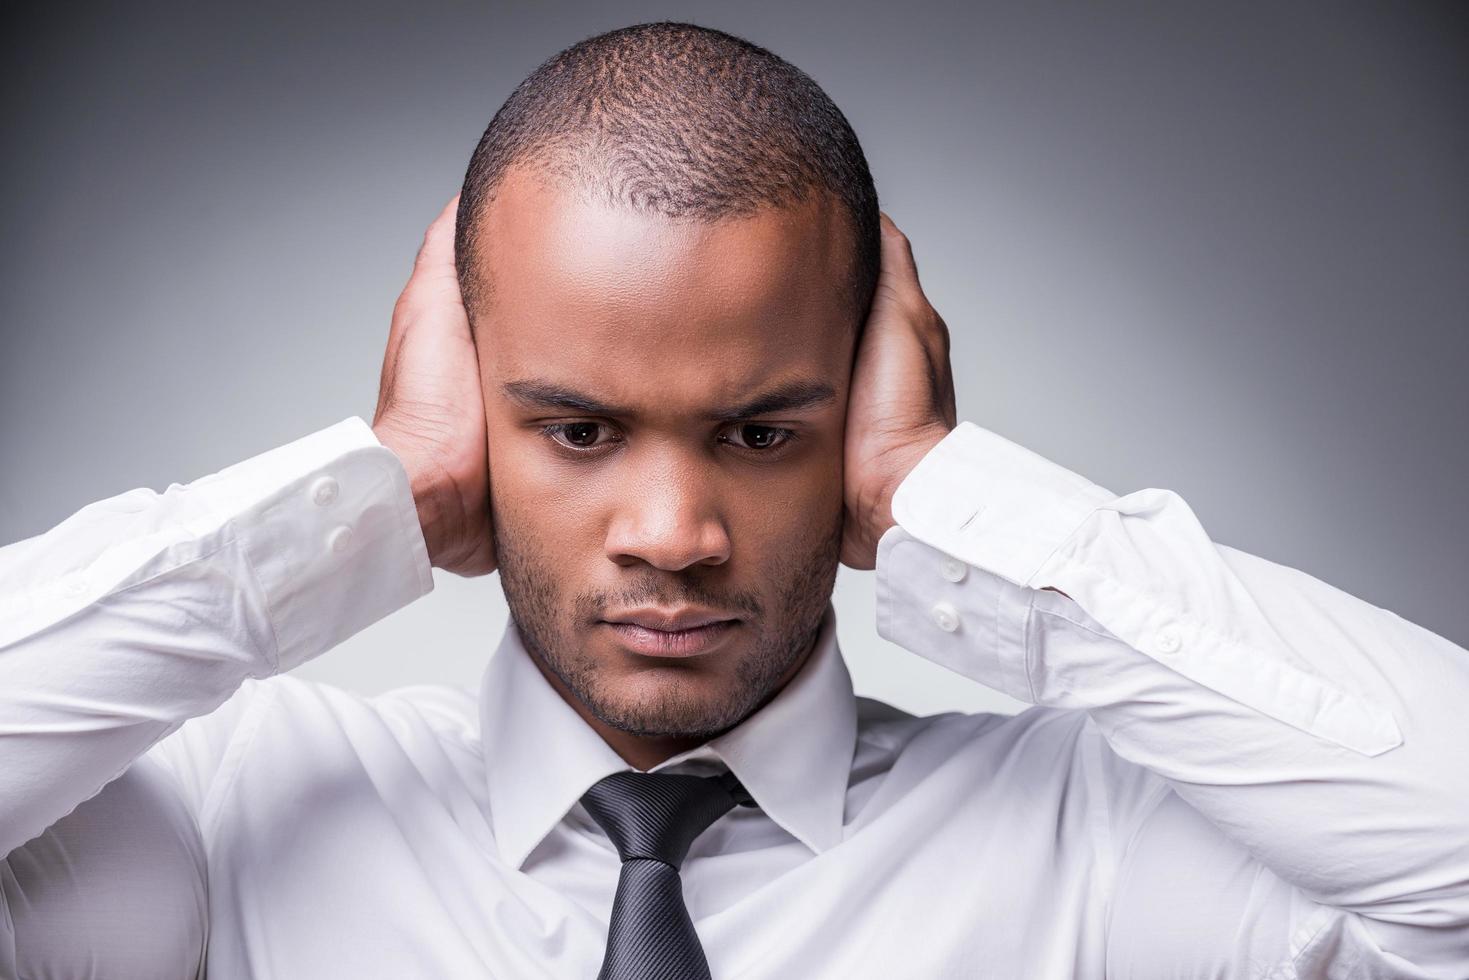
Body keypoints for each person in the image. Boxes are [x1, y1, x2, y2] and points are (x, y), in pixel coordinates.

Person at [1, 20, 1465, 980]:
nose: (674, 534)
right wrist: (376, 495)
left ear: (863, 411)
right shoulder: (227, 817)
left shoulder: (1094, 840)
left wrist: (941, 502)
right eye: (573, 428)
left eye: (762, 434)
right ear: (475, 412)